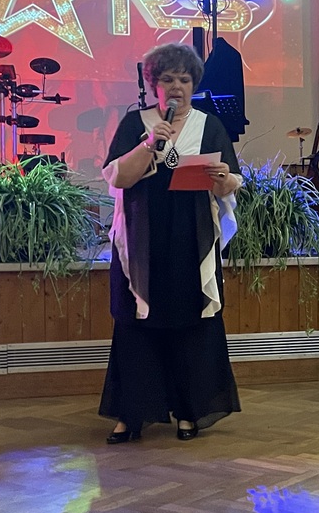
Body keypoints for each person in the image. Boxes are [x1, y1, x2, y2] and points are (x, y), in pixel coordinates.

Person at [99, 43, 242, 443]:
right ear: (154, 84)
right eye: (167, 79)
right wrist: (148, 144)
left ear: (194, 84)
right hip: (140, 238)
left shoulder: (210, 125)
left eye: (184, 79)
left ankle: (188, 412)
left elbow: (231, 182)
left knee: (189, 323)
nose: (177, 86)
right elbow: (118, 177)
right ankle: (132, 414)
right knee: (136, 322)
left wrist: (223, 179)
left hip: (190, 238)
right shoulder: (136, 122)